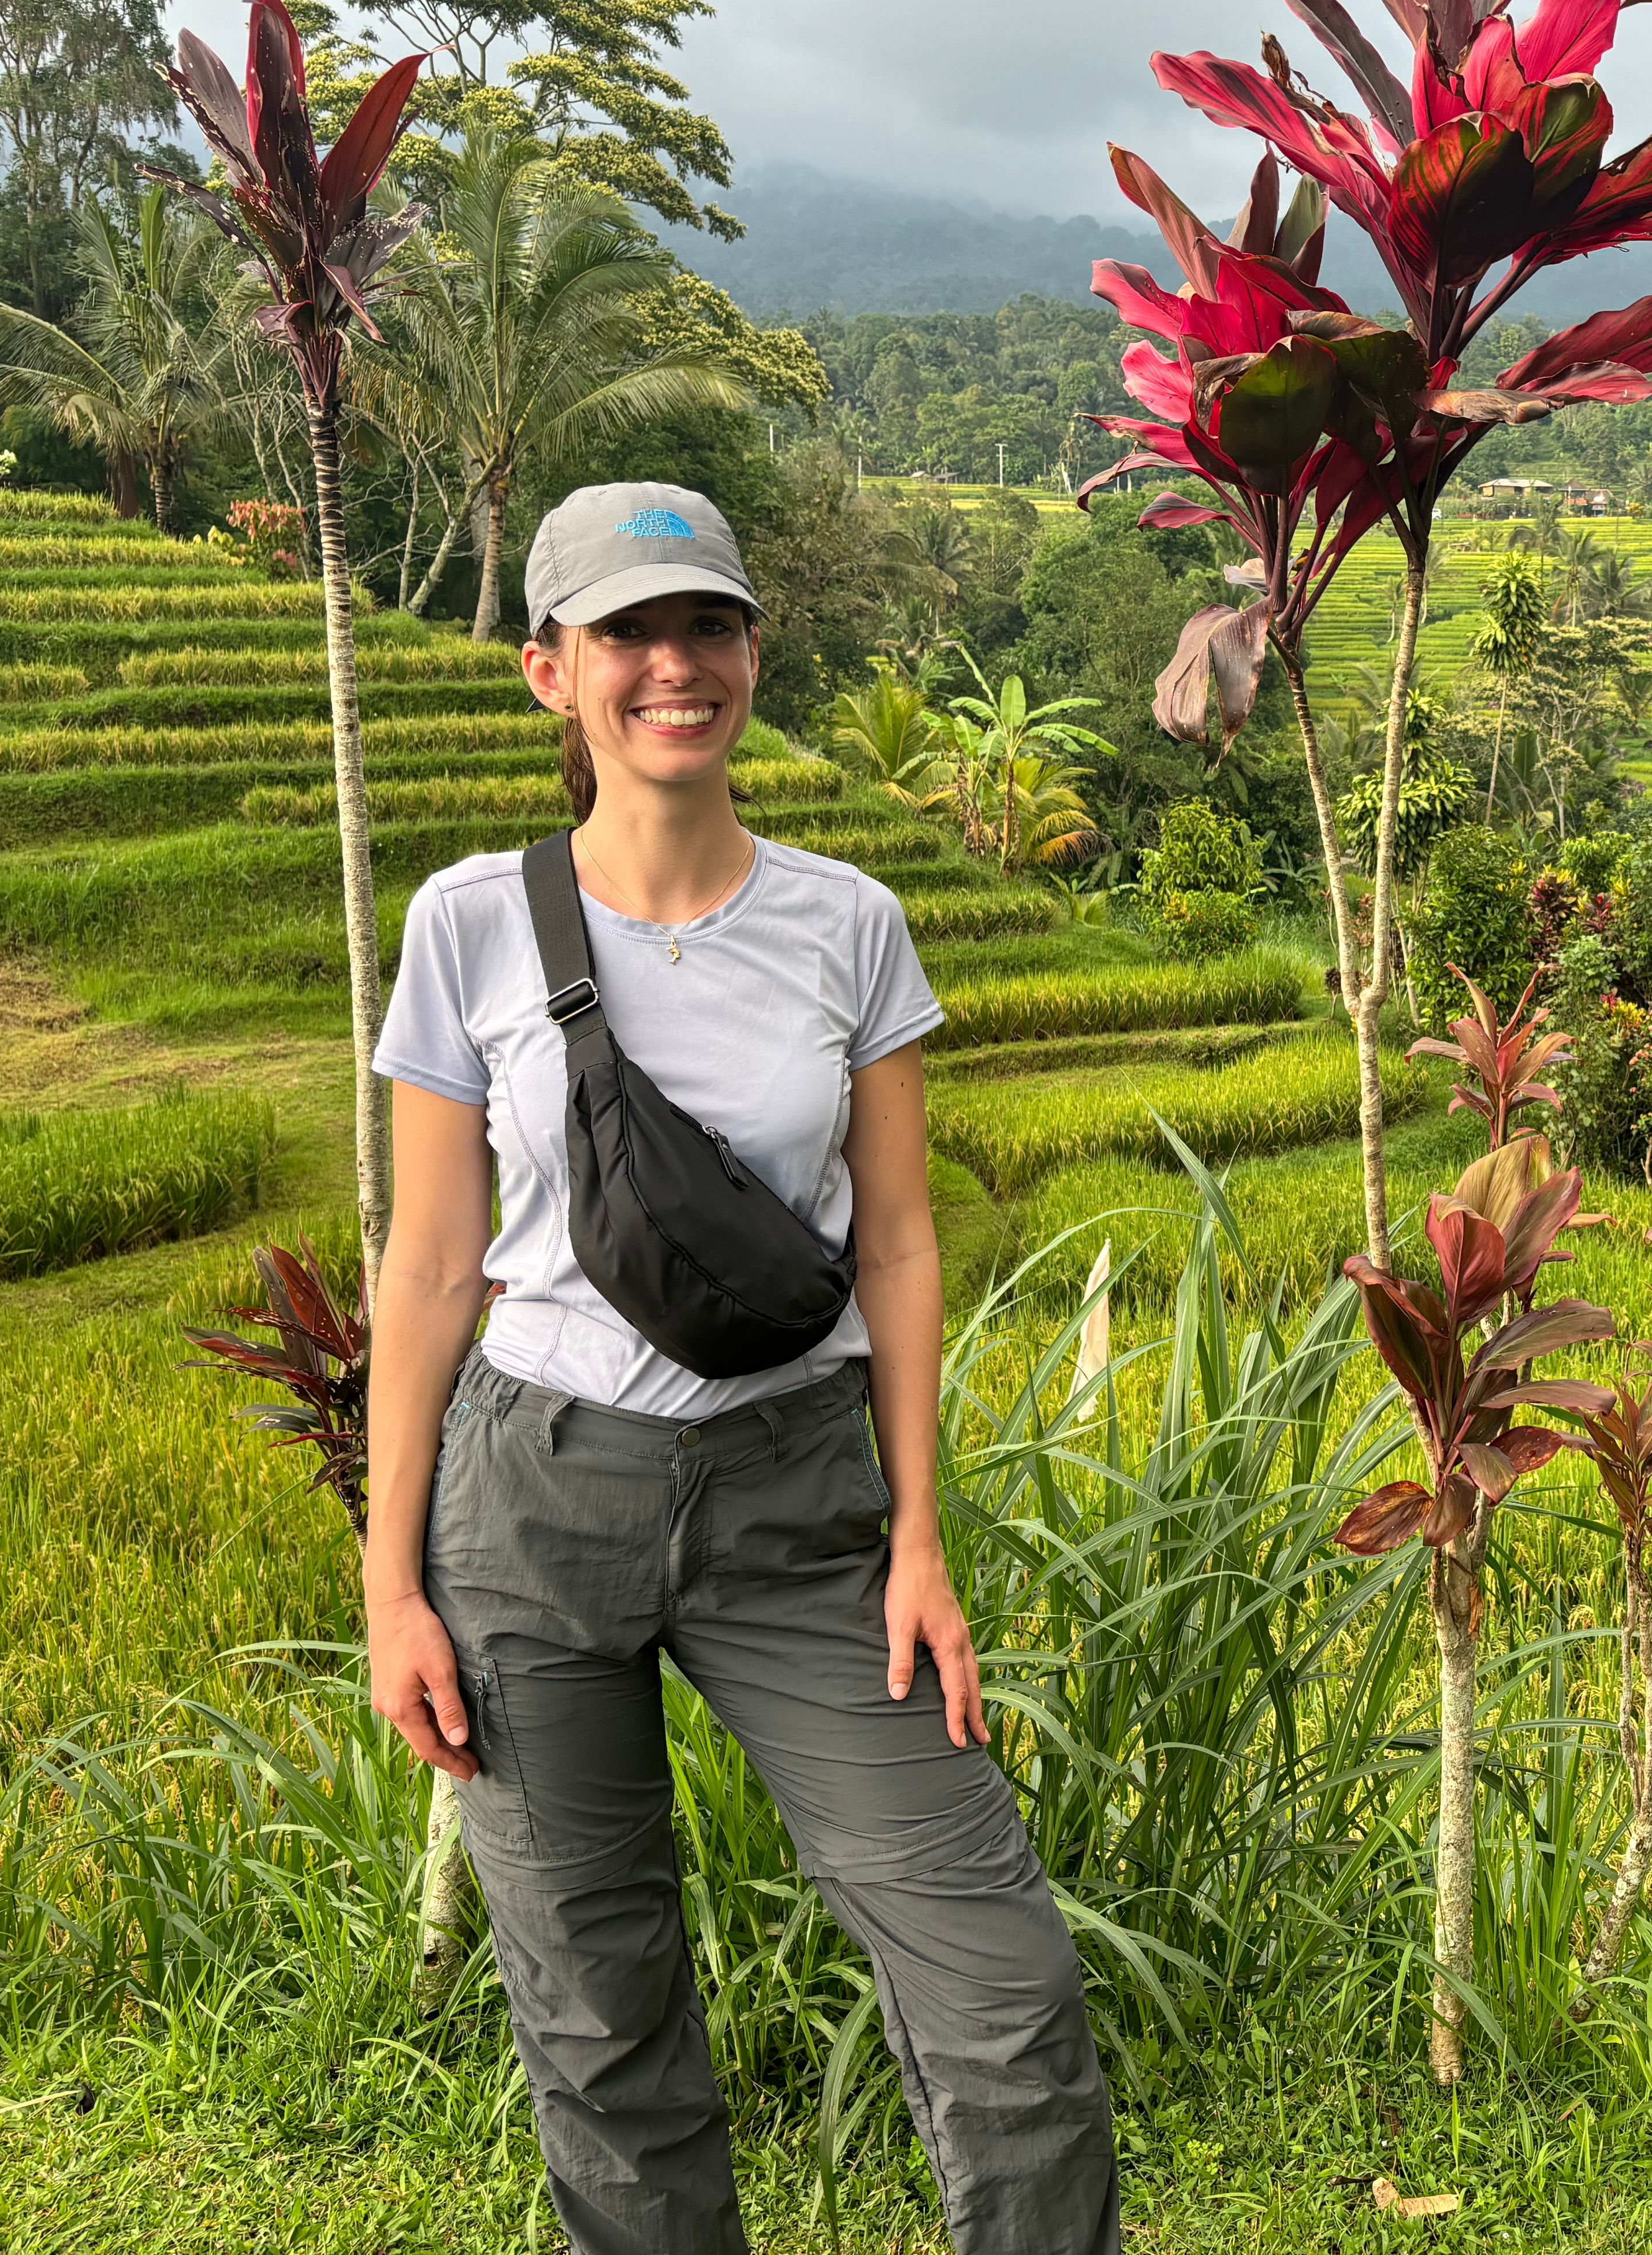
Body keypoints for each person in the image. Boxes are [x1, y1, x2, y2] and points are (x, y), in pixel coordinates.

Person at [359, 481, 1119, 2254]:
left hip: (797, 1501)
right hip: (531, 1504)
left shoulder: (849, 923)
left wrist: (920, 1533)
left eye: (708, 625)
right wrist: (391, 1585)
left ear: (756, 654)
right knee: (599, 2012)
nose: (674, 666)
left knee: (1002, 1980)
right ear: (551, 670)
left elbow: (902, 1243)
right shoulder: (468, 923)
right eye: (627, 632)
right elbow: (431, 1265)